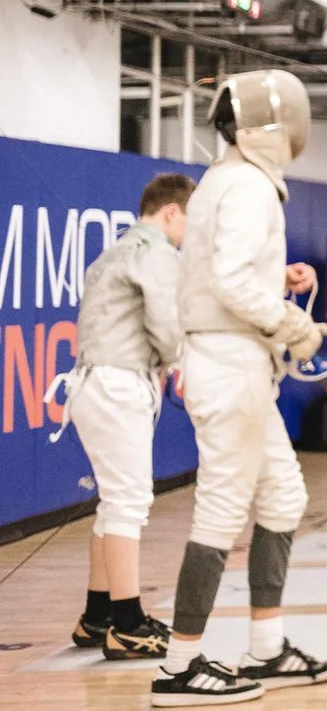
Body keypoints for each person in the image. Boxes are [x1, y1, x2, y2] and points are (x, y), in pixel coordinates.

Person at [155, 70, 327, 706]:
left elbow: (225, 272)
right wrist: (292, 322)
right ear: (271, 128)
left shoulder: (227, 180)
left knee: (284, 496)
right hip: (230, 364)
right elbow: (230, 280)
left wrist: (273, 283)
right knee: (223, 505)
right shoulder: (249, 188)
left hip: (233, 358)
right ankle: (179, 665)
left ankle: (266, 646)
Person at [63, 171, 196, 661]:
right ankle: (128, 623)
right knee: (127, 505)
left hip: (92, 383)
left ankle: (97, 616)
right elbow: (165, 322)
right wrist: (184, 362)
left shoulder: (113, 252)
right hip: (118, 385)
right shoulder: (156, 252)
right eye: (190, 221)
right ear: (170, 212)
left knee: (113, 503)